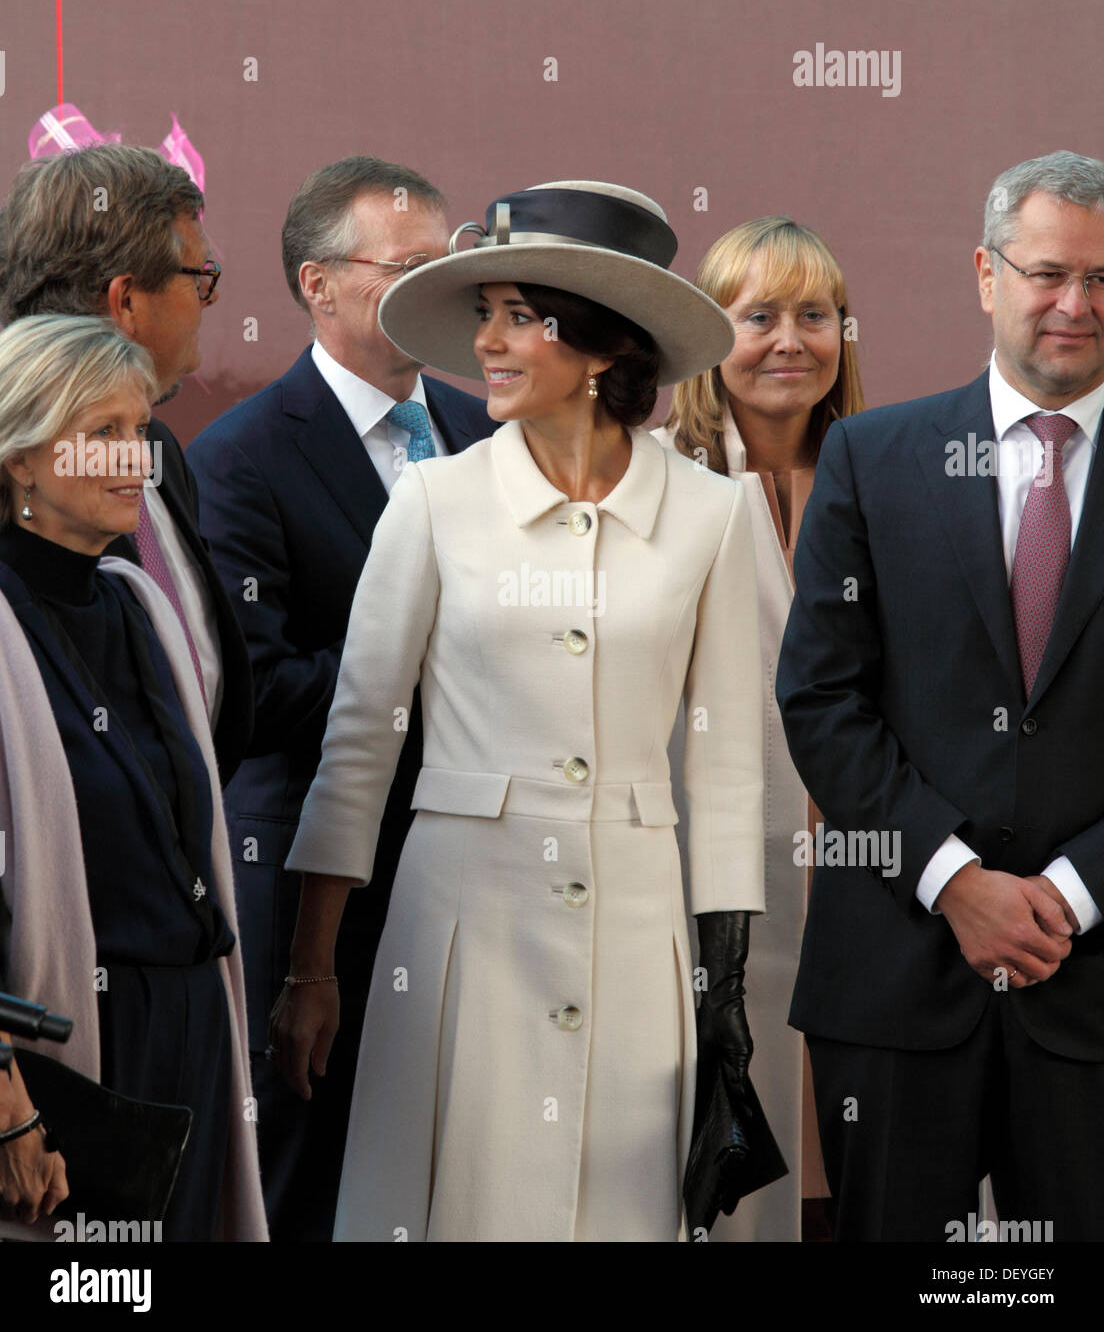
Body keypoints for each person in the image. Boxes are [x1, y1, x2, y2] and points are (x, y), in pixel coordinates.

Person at [273, 180, 766, 1241]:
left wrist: (721, 991)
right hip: (460, 940)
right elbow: (360, 744)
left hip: (639, 944)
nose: (484, 343)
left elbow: (725, 772)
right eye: (483, 314)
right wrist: (311, 968)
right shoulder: (434, 502)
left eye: (516, 317)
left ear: (598, 349)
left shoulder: (713, 517)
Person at [777, 150, 1104, 1241]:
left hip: (1091, 977)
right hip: (895, 982)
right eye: (1050, 272)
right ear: (985, 273)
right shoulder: (873, 457)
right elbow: (822, 699)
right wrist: (957, 879)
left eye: (1103, 280)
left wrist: (1069, 890)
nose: (1076, 304)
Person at [186, 156, 495, 1240]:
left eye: (448, 267)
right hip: (314, 893)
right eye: (404, 269)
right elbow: (257, 693)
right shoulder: (241, 458)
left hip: (484, 882)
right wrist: (434, 658)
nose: (437, 294)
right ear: (318, 283)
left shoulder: (491, 430)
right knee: (305, 1187)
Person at [0, 315, 265, 1241]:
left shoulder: (139, 603)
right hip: (64, 1044)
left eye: (141, 431)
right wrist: (6, 1096)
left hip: (191, 1029)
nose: (135, 460)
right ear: (20, 460)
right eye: (99, 435)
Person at [656, 216, 865, 1241]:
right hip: (715, 882)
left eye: (815, 314)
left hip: (877, 875)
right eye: (759, 315)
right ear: (707, 333)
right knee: (733, 1176)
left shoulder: (897, 474)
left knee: (862, 1165)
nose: (792, 339)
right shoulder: (656, 482)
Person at [0, 144, 252, 785]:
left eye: (131, 432)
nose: (210, 301)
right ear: (126, 301)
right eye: (201, 279)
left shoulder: (162, 449)